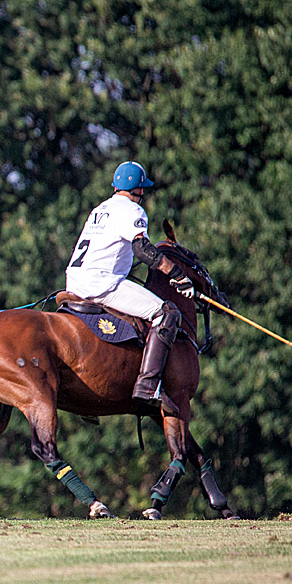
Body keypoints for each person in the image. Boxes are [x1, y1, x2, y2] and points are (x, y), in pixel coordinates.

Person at [64, 161, 194, 407]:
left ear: (115, 186)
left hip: (74, 282)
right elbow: (143, 249)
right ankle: (148, 384)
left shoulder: (99, 210)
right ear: (139, 190)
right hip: (102, 284)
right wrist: (176, 273)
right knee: (166, 313)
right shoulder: (132, 210)